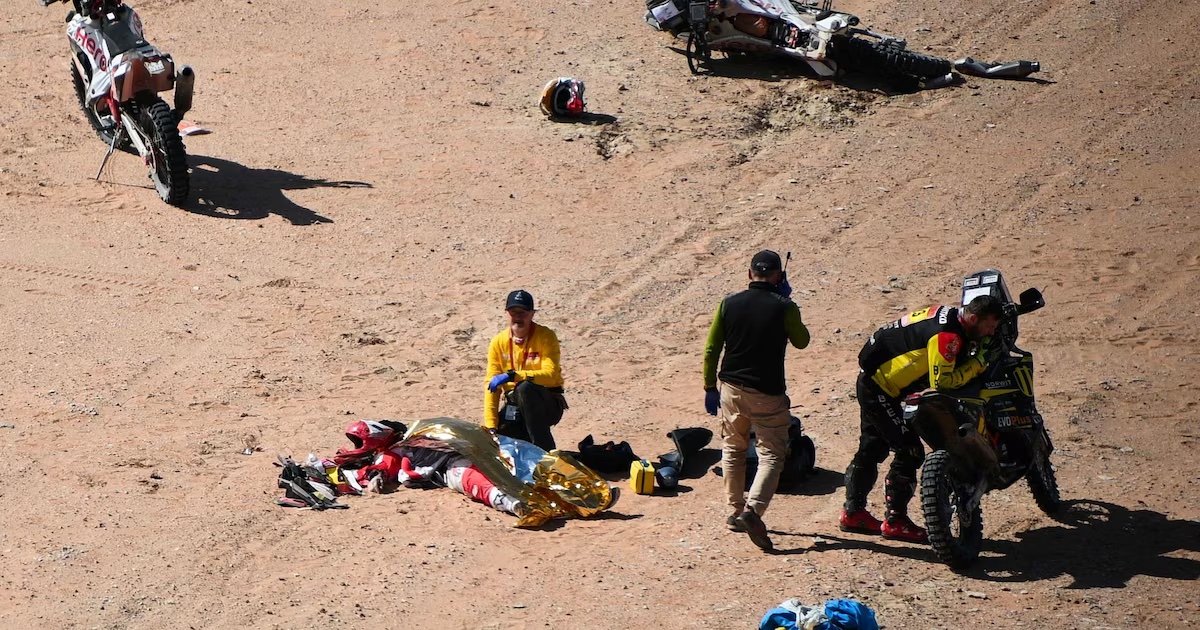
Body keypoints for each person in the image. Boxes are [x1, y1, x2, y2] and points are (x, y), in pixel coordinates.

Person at [840, 295, 1004, 543]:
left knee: (872, 447)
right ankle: (896, 521)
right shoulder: (948, 336)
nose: (991, 333)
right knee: (910, 451)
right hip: (881, 388)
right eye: (989, 327)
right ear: (972, 318)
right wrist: (979, 363)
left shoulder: (947, 314)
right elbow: (943, 382)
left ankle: (853, 513)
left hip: (876, 379)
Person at [703, 250, 810, 552]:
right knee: (772, 455)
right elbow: (802, 340)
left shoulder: (728, 304)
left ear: (750, 274)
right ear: (778, 276)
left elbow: (711, 349)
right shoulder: (784, 306)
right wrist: (788, 302)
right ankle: (753, 512)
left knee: (733, 448)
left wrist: (709, 386)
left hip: (731, 390)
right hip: (768, 393)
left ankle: (735, 510)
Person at [483, 290, 566, 451]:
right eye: (514, 312)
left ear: (532, 314)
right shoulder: (498, 342)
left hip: (546, 402)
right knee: (501, 441)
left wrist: (513, 376)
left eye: (523, 312)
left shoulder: (546, 336)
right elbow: (491, 387)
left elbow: (550, 374)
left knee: (525, 388)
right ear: (507, 314)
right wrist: (490, 425)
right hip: (515, 403)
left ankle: (546, 453)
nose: (518, 317)